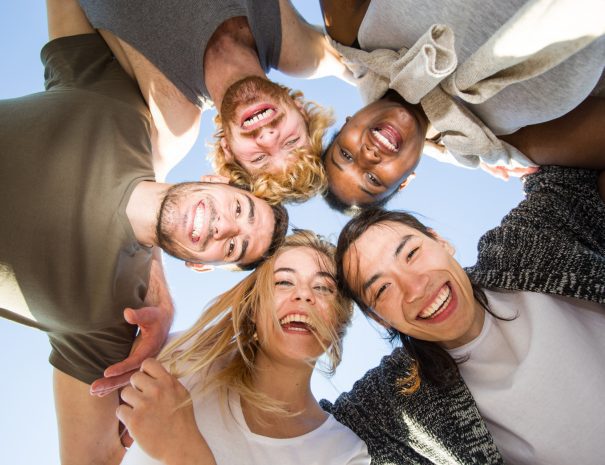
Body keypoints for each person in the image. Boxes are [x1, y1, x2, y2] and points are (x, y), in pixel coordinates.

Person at [0, 4, 288, 464]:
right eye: (240, 208)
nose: (226, 225)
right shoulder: (121, 108)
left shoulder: (113, 322)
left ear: (201, 264)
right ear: (216, 181)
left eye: (234, 245)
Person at [324, 165, 605, 464]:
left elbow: (571, 173)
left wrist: (450, 145)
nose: (416, 288)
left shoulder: (522, 247)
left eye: (411, 254)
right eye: (382, 289)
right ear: (380, 318)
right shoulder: (393, 401)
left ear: (441, 242)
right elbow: (305, 441)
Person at [319, 0, 605, 210]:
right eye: (372, 178)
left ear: (346, 123)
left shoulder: (352, 34)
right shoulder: (497, 143)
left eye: (345, 154)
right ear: (406, 181)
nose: (367, 156)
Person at [114, 231, 370, 465]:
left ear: (340, 323)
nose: (303, 295)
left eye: (323, 288)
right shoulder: (184, 357)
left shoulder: (344, 453)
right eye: (283, 282)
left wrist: (184, 452)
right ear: (253, 312)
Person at [74, 0, 350, 203]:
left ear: (227, 150)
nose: (267, 136)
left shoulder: (171, 119)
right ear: (302, 112)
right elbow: (373, 67)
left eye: (259, 157)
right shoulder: (300, 50)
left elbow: (123, 197)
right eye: (291, 142)